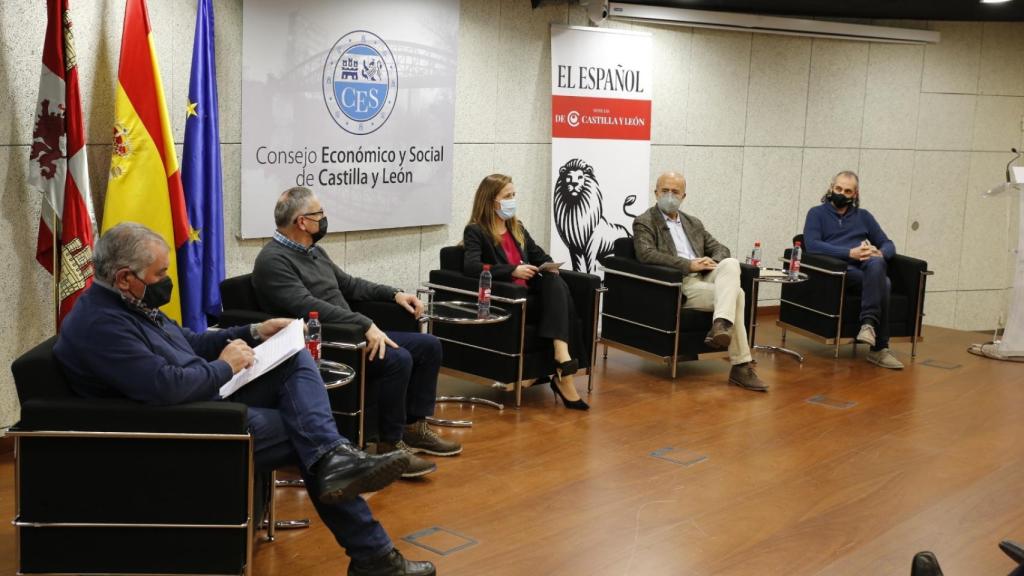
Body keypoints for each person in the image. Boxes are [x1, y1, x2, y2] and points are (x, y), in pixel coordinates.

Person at [53, 222, 434, 576]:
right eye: (160, 275)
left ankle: (341, 471)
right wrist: (225, 366)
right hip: (183, 424)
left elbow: (189, 342)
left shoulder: (129, 303)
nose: (166, 282)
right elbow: (164, 387)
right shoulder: (100, 324)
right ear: (124, 278)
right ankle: (374, 553)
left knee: (294, 358)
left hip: (201, 397)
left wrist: (255, 330)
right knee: (308, 439)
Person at [253, 187, 460, 479]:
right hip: (326, 341)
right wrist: (364, 324)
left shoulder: (313, 250)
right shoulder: (273, 261)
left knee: (429, 346)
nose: (324, 219)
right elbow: (306, 307)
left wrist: (394, 294)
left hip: (352, 330)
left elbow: (349, 285)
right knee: (398, 359)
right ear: (302, 222)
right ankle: (389, 445)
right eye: (319, 214)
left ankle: (413, 427)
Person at [462, 173, 589, 410]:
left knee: (554, 280)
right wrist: (513, 270)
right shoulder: (476, 231)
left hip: (533, 291)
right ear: (491, 201)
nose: (512, 200)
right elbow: (471, 266)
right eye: (507, 196)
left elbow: (541, 256)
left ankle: (561, 356)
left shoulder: (517, 227)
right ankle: (563, 368)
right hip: (509, 294)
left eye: (514, 195)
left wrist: (549, 266)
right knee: (559, 292)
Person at [632, 171, 767, 392]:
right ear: (655, 192)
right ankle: (740, 365)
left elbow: (721, 248)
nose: (669, 195)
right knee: (738, 295)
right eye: (664, 190)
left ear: (684, 196)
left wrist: (710, 260)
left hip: (704, 275)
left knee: (730, 263)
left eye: (675, 192)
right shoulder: (645, 222)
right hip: (680, 281)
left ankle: (721, 325)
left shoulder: (693, 223)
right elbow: (646, 254)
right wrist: (688, 264)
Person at [803, 170, 903, 369]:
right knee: (885, 282)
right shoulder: (816, 213)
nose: (841, 193)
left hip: (866, 267)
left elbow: (888, 243)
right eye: (838, 188)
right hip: (839, 270)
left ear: (854, 195)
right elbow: (813, 245)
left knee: (877, 263)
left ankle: (868, 326)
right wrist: (850, 253)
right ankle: (879, 348)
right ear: (831, 188)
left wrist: (880, 252)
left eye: (847, 191)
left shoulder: (864, 216)